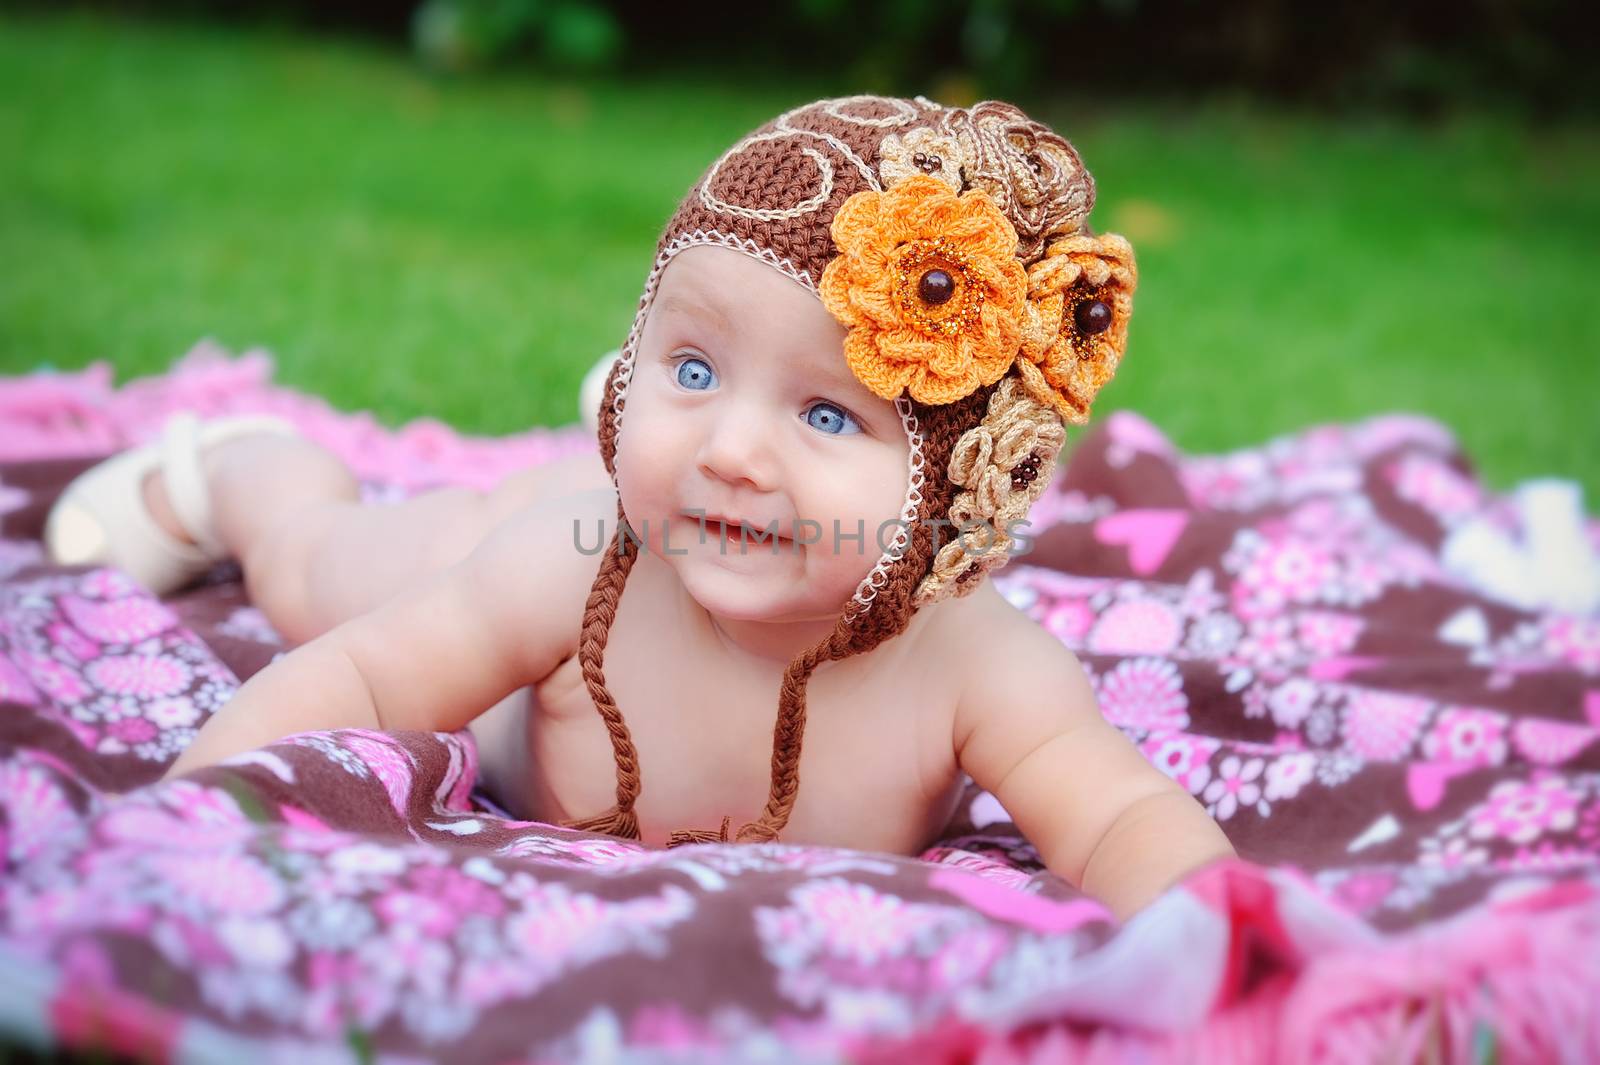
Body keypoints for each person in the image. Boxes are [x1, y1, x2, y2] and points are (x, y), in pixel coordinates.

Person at [44, 95, 1236, 922]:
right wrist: (187, 819)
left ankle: (647, 403)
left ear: (957, 496)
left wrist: (1224, 939)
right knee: (315, 575)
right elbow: (352, 686)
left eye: (827, 416)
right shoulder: (567, 581)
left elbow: (1120, 818)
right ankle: (239, 467)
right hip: (534, 537)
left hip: (635, 518)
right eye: (696, 372)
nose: (731, 453)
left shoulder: (981, 673)